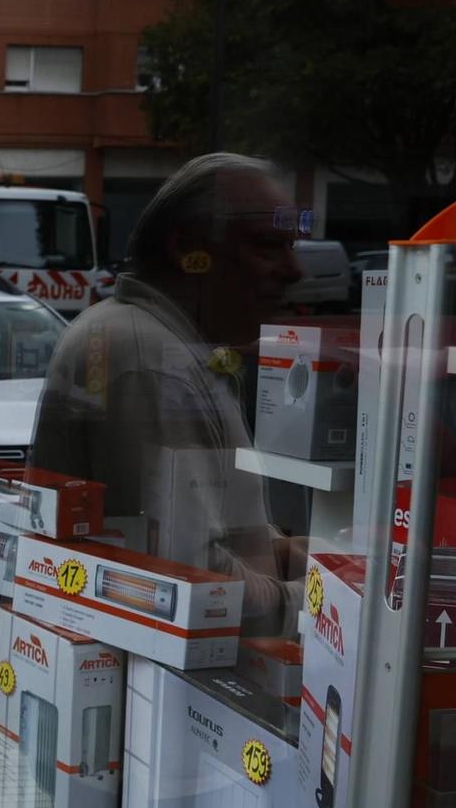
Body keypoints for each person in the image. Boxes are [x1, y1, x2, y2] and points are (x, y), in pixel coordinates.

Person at [30, 151, 309, 635]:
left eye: (292, 245)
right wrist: (318, 605)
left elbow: (193, 532)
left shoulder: (151, 341)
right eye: (268, 245)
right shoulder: (151, 362)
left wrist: (280, 552)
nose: (294, 269)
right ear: (187, 249)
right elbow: (192, 579)